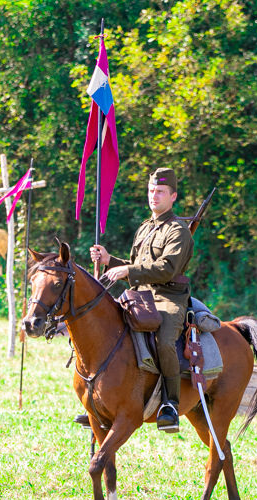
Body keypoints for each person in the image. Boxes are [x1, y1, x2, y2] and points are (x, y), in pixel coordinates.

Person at [90, 167, 194, 432]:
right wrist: (109, 260)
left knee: (164, 341)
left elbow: (166, 269)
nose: (154, 196)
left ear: (173, 196)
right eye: (151, 191)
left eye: (160, 192)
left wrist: (128, 270)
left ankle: (169, 404)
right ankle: (102, 402)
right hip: (140, 295)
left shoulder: (178, 230)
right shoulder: (145, 228)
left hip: (168, 298)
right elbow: (136, 265)